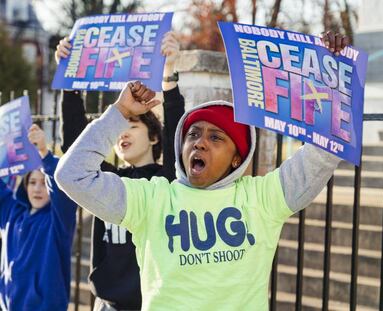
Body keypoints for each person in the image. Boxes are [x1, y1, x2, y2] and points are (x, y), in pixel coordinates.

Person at [55, 34, 347, 310]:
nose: (200, 143)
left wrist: (331, 70)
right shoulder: (152, 197)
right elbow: (72, 175)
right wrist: (120, 112)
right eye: (193, 135)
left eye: (216, 138)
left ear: (237, 159)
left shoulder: (262, 199)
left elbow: (325, 147)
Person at [55, 31, 185, 311]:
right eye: (120, 127)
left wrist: (170, 76)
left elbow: (177, 134)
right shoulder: (108, 180)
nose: (122, 133)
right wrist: (70, 82)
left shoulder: (166, 180)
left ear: (154, 137)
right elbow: (74, 145)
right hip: (106, 305)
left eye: (133, 125)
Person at [0, 124, 77, 310]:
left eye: (44, 183)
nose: (37, 188)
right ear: (25, 186)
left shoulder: (58, 220)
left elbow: (61, 189)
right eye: (32, 182)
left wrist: (44, 152)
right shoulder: (12, 212)